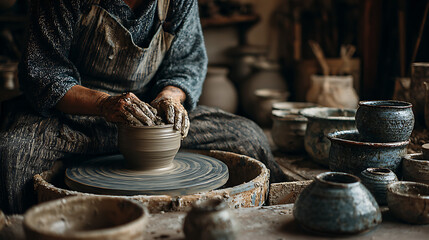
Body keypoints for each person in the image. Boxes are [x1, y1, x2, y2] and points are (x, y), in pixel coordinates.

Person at [0, 0, 287, 214]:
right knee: (12, 154)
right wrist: (103, 103)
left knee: (248, 137)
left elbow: (185, 64)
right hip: (73, 115)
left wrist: (170, 97)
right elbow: (43, 73)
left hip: (151, 116)